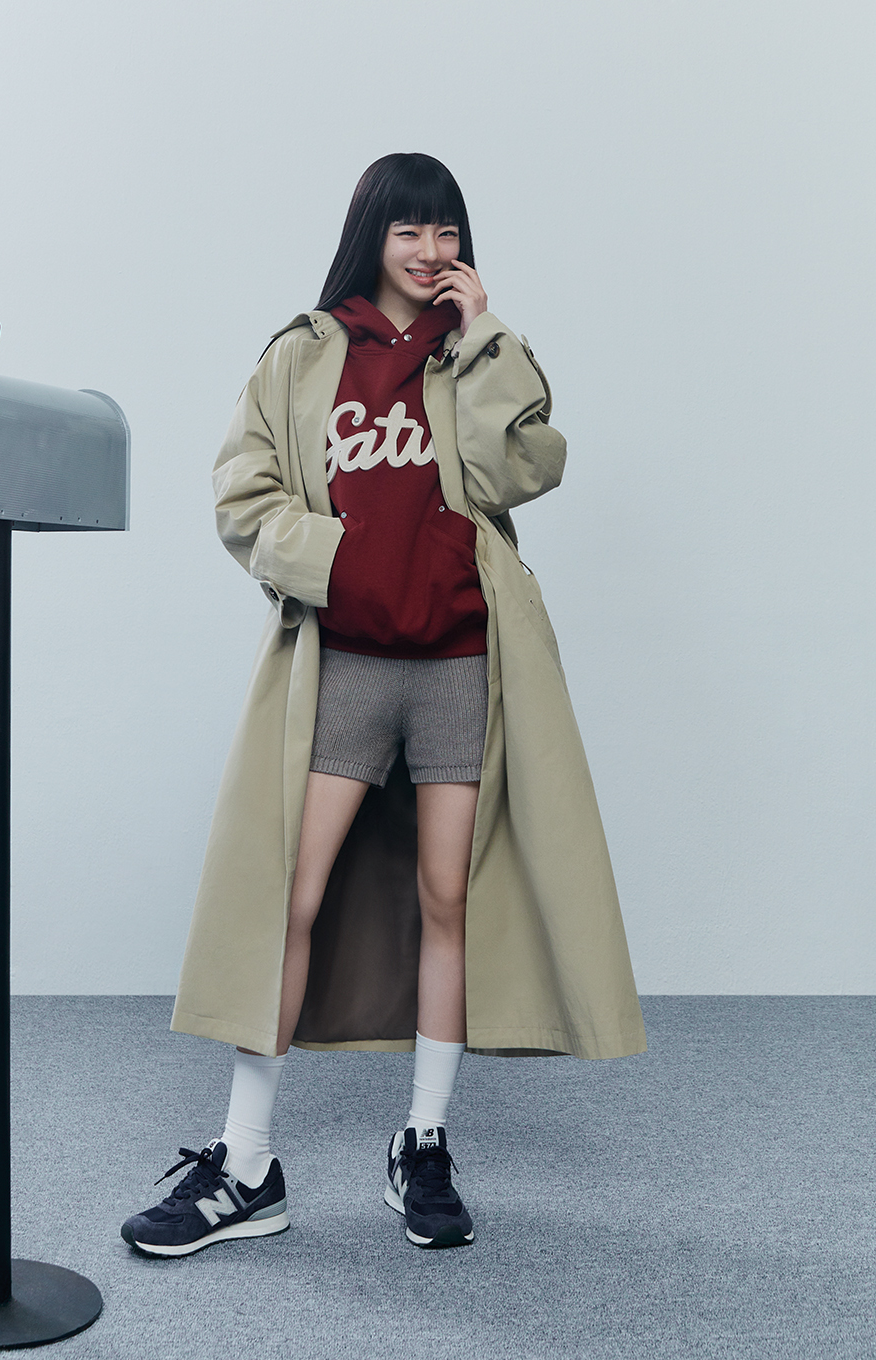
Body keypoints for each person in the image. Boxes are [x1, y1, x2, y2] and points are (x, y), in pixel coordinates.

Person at [121, 152, 647, 1257]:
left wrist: (486, 334)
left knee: (447, 899)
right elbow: (243, 493)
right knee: (290, 896)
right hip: (346, 661)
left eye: (445, 229)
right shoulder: (305, 353)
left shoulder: (473, 354)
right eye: (409, 228)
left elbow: (522, 471)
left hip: (458, 662)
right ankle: (247, 1162)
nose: (429, 249)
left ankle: (424, 1140)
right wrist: (343, 565)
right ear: (373, 234)